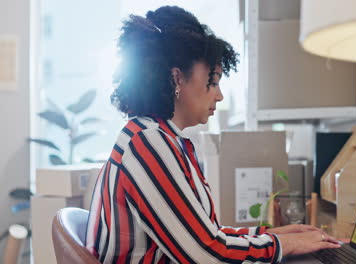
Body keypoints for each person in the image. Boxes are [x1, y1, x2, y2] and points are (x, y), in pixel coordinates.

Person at [85, 6, 341, 263]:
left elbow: (203, 237)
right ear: (177, 79)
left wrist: (272, 235)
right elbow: (206, 254)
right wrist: (282, 245)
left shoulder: (154, 136)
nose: (218, 95)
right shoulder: (149, 143)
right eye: (213, 81)